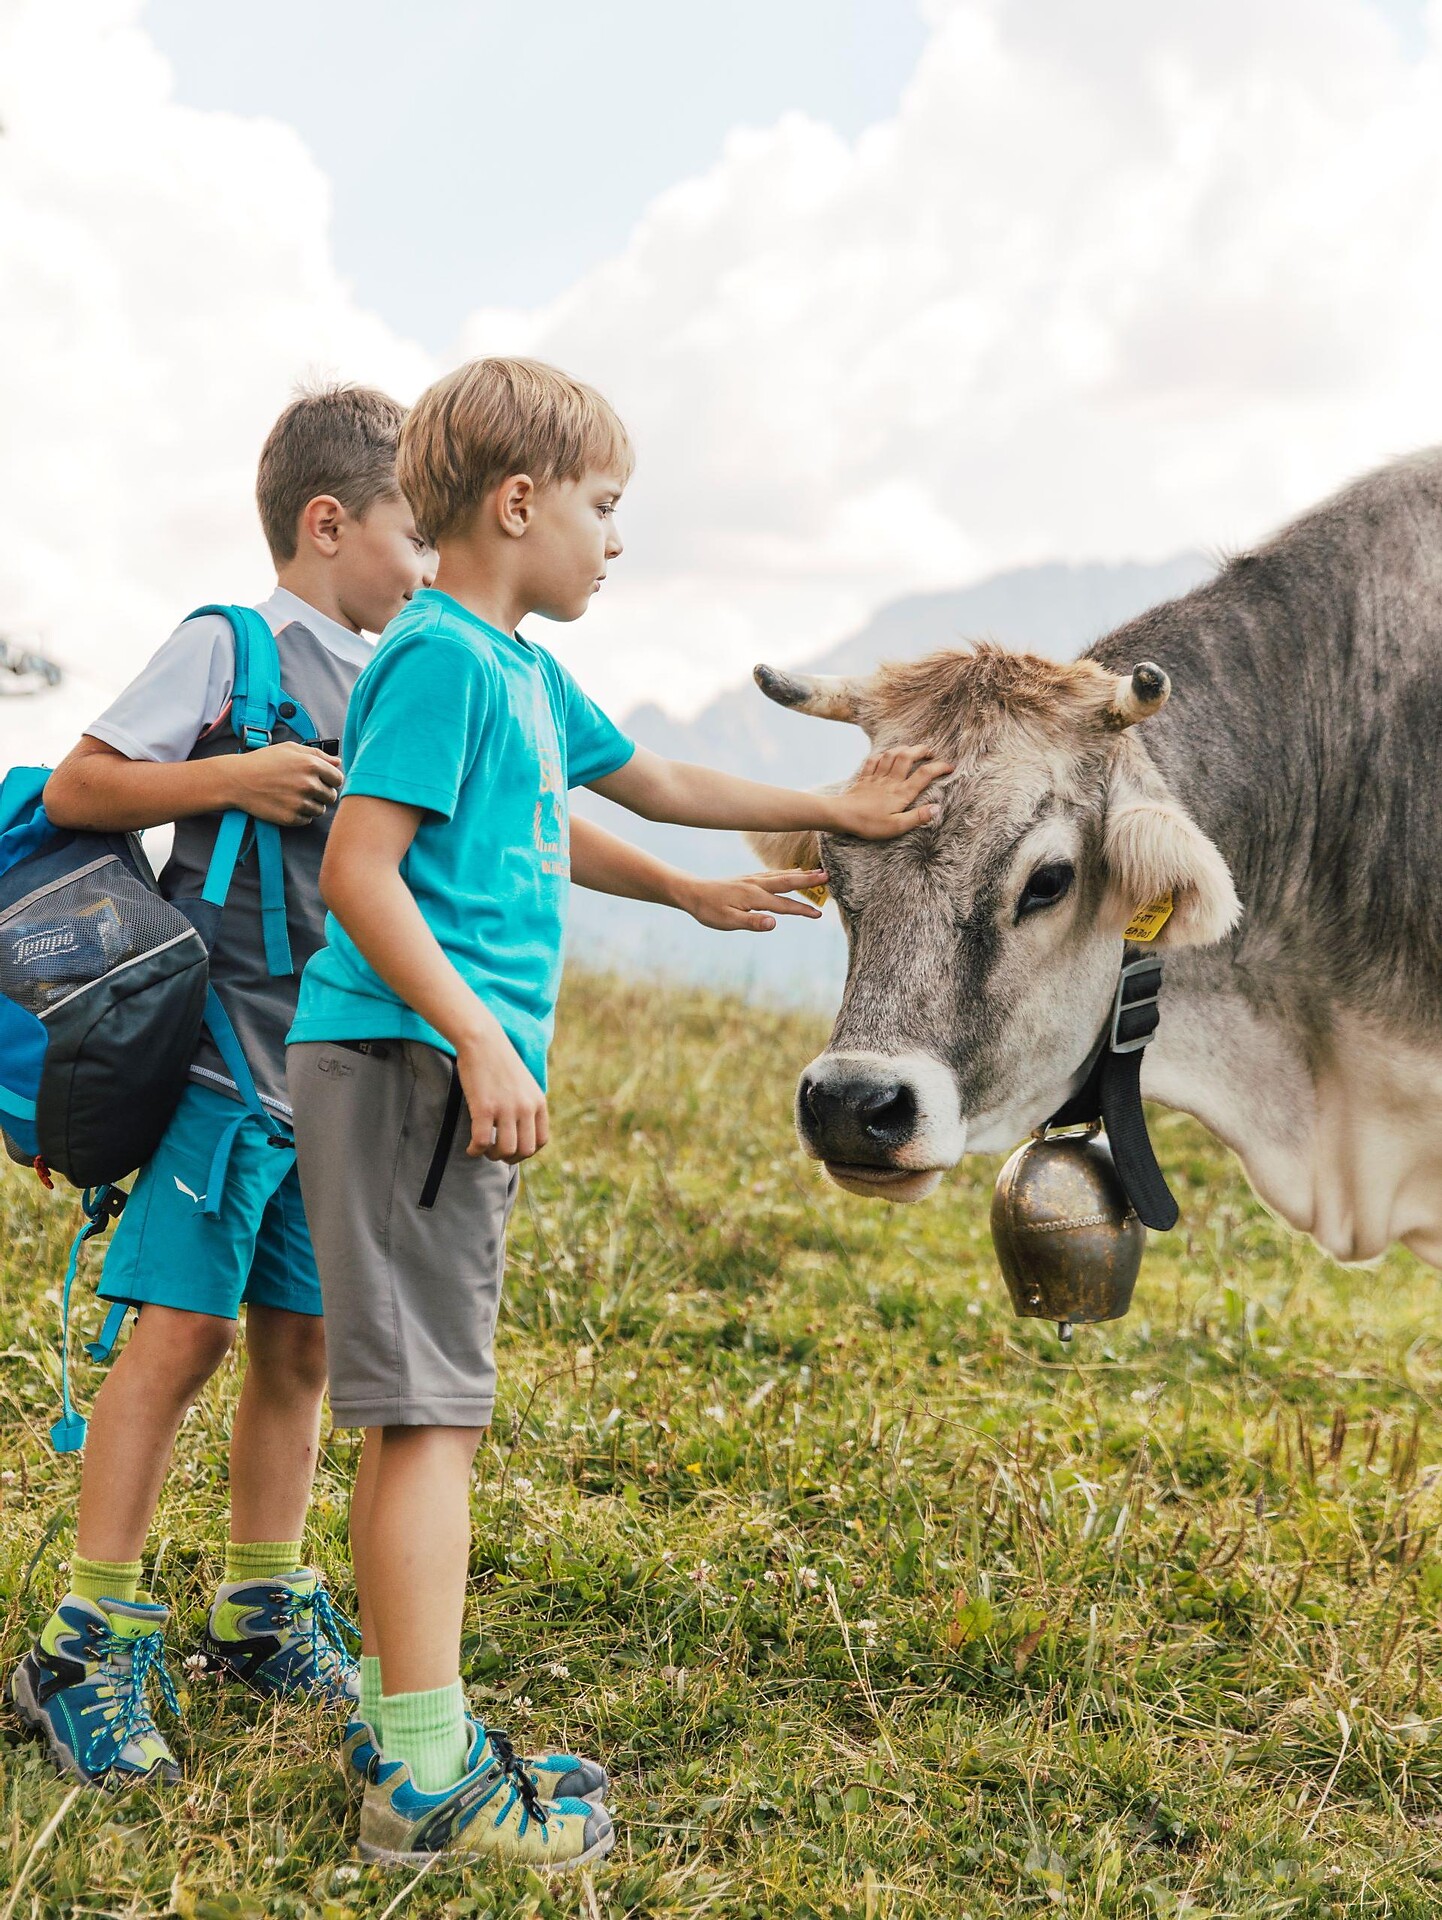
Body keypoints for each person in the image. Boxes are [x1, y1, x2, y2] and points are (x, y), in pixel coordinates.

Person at [286, 355, 952, 1868]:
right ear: (519, 503)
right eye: (603, 506)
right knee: (427, 1419)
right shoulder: (442, 658)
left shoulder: (510, 670)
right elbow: (361, 872)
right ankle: (422, 1783)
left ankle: (418, 1726)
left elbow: (628, 785)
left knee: (430, 1409)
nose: (616, 538)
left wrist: (742, 861)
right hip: (403, 1066)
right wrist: (475, 1039)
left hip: (430, 1073)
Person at [7, 383, 436, 1788]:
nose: (425, 568)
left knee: (298, 1349)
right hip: (214, 1071)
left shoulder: (394, 679)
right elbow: (80, 789)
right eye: (411, 534)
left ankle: (258, 1603)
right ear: (329, 524)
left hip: (325, 1088)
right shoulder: (227, 646)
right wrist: (236, 775)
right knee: (177, 1345)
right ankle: (86, 1639)